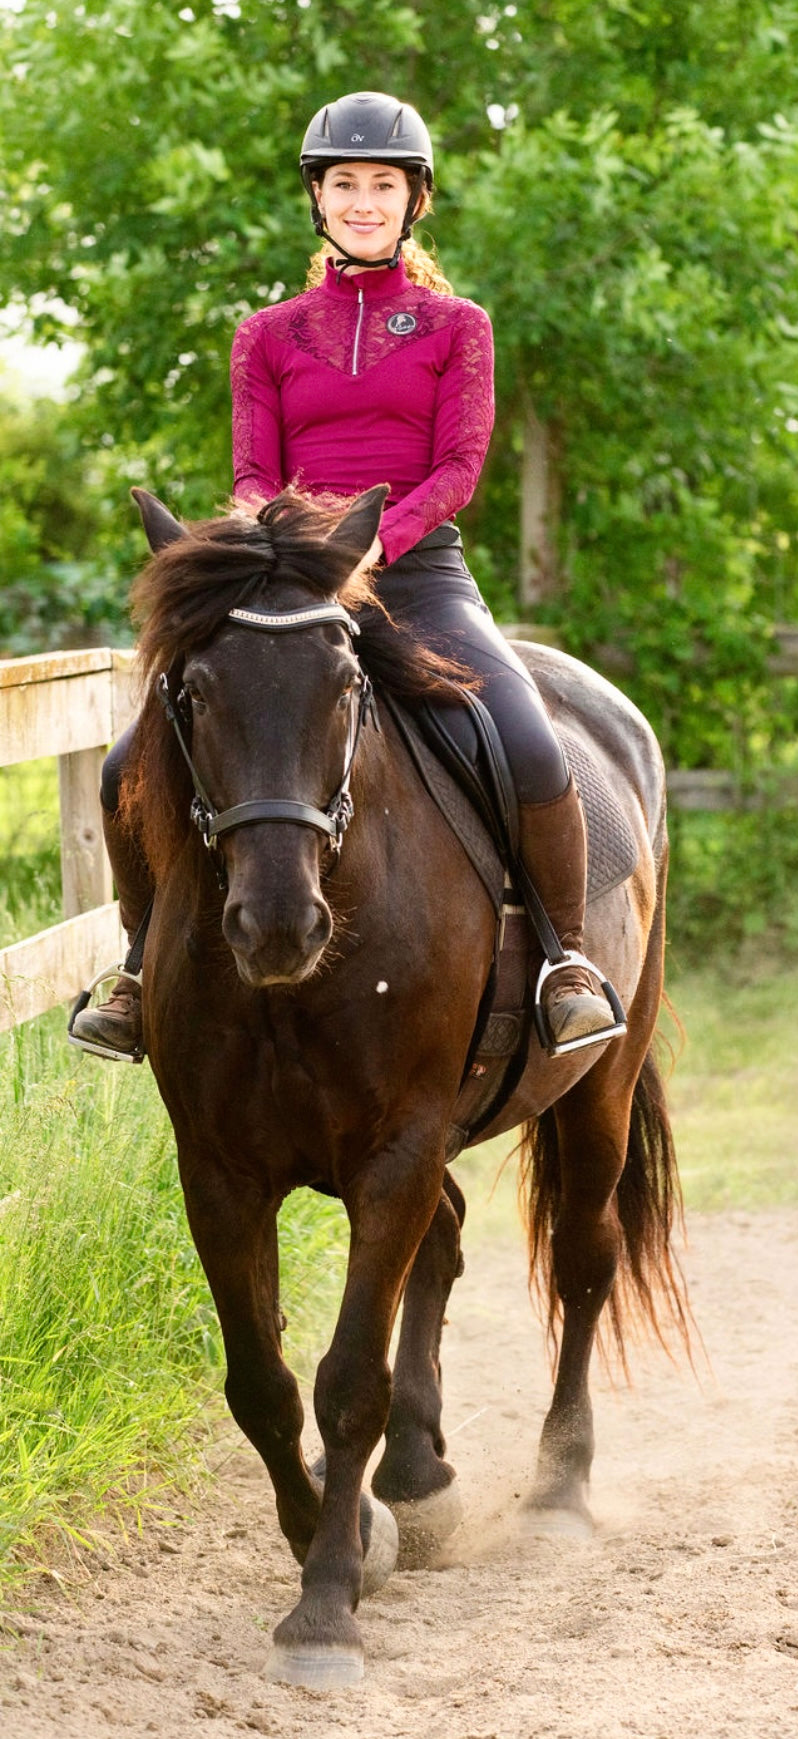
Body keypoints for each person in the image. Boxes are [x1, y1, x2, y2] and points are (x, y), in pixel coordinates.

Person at [71, 91, 622, 1060]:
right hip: (287, 581)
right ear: (316, 199)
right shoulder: (268, 334)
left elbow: (456, 471)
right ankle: (138, 968)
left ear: (416, 203)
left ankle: (563, 961)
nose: (362, 200)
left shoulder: (458, 325)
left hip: (415, 578)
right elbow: (252, 471)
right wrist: (276, 545)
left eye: (383, 184)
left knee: (526, 738)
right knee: (130, 763)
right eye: (343, 183)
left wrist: (371, 546)